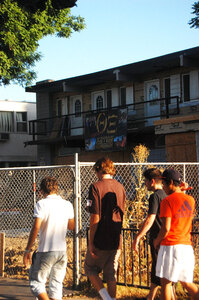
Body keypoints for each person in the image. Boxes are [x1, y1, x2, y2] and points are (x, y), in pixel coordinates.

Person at [23, 176, 75, 300]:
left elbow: (36, 227)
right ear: (56, 189)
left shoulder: (41, 204)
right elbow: (71, 226)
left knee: (36, 283)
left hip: (46, 249)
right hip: (61, 251)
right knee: (56, 285)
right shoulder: (67, 204)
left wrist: (28, 249)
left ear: (41, 191)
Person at [154, 169, 199, 300]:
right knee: (187, 283)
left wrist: (157, 240)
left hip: (170, 246)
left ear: (171, 183)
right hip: (186, 246)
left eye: (164, 183)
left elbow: (166, 227)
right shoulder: (191, 200)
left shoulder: (166, 202)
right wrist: (181, 189)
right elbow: (180, 202)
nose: (163, 186)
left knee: (166, 284)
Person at [84, 157, 126, 300]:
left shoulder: (95, 187)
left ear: (98, 169)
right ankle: (112, 298)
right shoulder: (120, 187)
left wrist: (91, 241)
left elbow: (95, 216)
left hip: (101, 237)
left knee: (89, 269)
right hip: (115, 237)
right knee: (110, 274)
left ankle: (106, 298)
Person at [132, 168, 175, 300]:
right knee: (164, 270)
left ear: (151, 181)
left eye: (145, 181)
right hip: (169, 238)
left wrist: (138, 236)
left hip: (158, 238)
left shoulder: (155, 196)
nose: (144, 184)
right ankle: (151, 297)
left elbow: (150, 219)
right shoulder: (167, 194)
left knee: (159, 270)